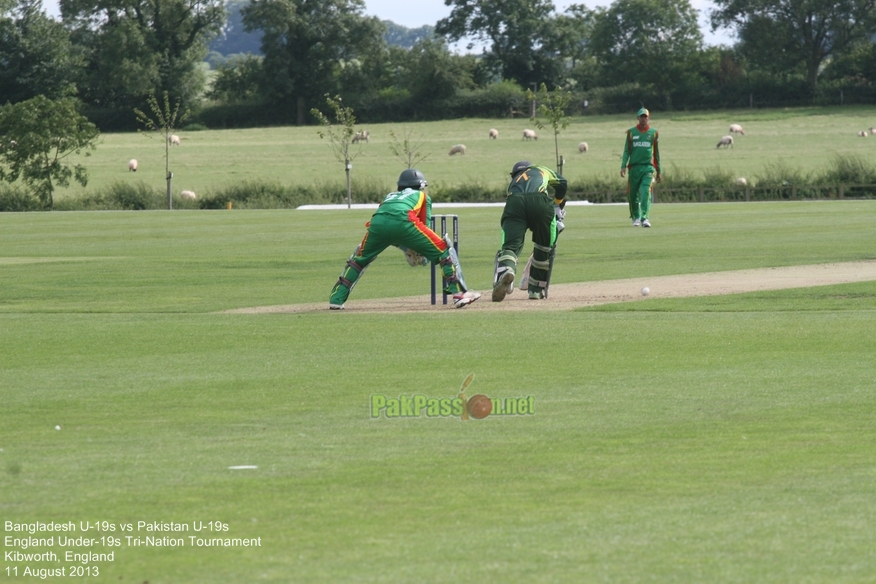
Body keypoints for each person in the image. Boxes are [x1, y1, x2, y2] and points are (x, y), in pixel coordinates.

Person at [329, 169, 481, 310]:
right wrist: (422, 253)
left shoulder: (389, 195)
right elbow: (424, 225)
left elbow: (388, 225)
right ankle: (459, 294)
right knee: (443, 249)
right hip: (404, 222)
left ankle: (336, 299)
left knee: (359, 260)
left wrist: (405, 248)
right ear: (420, 185)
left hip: (377, 225)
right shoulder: (423, 196)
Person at [492, 161, 567, 302]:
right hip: (539, 201)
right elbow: (562, 183)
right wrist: (557, 203)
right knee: (544, 246)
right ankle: (536, 290)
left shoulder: (513, 183)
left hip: (514, 202)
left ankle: (507, 270)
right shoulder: (541, 169)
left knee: (510, 246)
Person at [621, 107, 661, 228]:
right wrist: (623, 166)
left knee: (645, 192)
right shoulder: (631, 132)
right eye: (641, 116)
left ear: (649, 118)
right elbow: (626, 151)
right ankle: (635, 217)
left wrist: (659, 170)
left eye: (646, 116)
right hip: (634, 168)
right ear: (638, 118)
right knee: (633, 195)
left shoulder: (653, 133)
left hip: (648, 168)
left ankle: (645, 218)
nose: (644, 119)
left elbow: (656, 153)